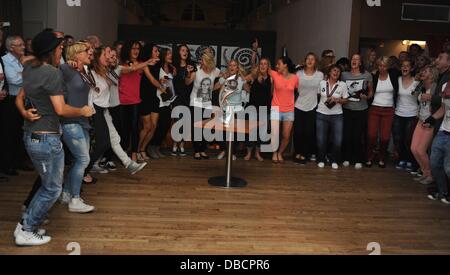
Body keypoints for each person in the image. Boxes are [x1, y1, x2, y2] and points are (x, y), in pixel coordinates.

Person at [14, 30, 93, 246]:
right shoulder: (51, 73)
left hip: (34, 134)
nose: (62, 52)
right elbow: (60, 109)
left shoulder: (30, 67)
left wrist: (23, 112)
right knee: (52, 189)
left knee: (48, 186)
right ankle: (26, 230)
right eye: (59, 49)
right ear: (50, 51)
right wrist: (82, 111)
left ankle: (27, 224)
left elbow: (19, 98)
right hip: (45, 138)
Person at [366, 56, 401, 168]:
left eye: (384, 66)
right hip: (374, 109)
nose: (382, 68)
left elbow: (404, 73)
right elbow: (369, 90)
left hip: (388, 110)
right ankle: (369, 157)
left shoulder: (394, 75)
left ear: (388, 67)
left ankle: (382, 157)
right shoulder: (374, 76)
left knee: (385, 137)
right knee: (371, 135)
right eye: (380, 65)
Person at [186, 52, 221, 160]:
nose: (200, 62)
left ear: (208, 62)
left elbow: (224, 76)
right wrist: (188, 74)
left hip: (207, 103)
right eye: (200, 60)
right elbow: (187, 82)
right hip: (195, 101)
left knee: (206, 127)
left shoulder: (215, 71)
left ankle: (202, 150)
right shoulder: (196, 70)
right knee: (197, 127)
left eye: (203, 60)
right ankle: (197, 151)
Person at [342, 54, 374, 169]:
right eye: (352, 59)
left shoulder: (367, 75)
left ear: (360, 63)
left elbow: (371, 92)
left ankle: (358, 159)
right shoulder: (344, 75)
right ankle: (347, 158)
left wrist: (367, 97)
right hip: (347, 109)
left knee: (357, 136)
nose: (354, 61)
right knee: (347, 135)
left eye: (357, 59)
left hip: (361, 110)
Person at [316, 64, 349, 169]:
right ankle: (321, 159)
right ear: (329, 72)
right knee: (321, 140)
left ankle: (334, 159)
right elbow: (318, 96)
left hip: (337, 116)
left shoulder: (342, 85)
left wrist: (337, 100)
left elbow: (346, 100)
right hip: (321, 114)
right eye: (334, 70)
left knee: (338, 140)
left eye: (338, 71)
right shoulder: (322, 83)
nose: (336, 73)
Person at [411, 65, 439, 185]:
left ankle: (430, 175)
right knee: (414, 148)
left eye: (425, 71)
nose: (422, 72)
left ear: (432, 74)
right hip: (420, 120)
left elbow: (440, 103)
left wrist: (430, 98)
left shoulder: (435, 87)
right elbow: (412, 93)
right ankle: (424, 173)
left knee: (421, 150)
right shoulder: (422, 86)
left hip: (429, 122)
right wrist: (417, 81)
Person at [294, 53, 323, 164]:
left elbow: (321, 92)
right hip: (299, 105)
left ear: (315, 62)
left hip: (312, 107)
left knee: (308, 132)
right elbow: (293, 89)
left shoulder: (320, 75)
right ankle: (297, 152)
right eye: (308, 59)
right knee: (298, 132)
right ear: (304, 61)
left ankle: (305, 154)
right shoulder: (298, 74)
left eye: (312, 59)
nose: (310, 61)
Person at [269, 56, 299, 163]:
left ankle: (280, 152)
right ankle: (274, 152)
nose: (276, 66)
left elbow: (298, 91)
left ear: (285, 65)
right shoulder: (274, 74)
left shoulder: (295, 78)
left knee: (286, 135)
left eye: (279, 64)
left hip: (289, 110)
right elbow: (263, 67)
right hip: (276, 108)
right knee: (275, 133)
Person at [393, 60, 419, 171]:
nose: (405, 68)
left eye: (407, 66)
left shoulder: (416, 81)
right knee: (398, 139)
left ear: (411, 68)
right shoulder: (397, 80)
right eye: (403, 66)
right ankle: (401, 159)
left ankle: (409, 160)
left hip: (412, 114)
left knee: (408, 140)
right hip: (398, 113)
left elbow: (419, 96)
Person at [426, 79, 450, 204]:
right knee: (434, 164)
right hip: (443, 131)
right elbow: (443, 108)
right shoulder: (446, 85)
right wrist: (431, 118)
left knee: (448, 168)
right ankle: (443, 192)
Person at [138, 44, 164, 160]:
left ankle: (143, 149)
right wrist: (161, 87)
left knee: (154, 126)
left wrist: (162, 81)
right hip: (144, 97)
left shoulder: (158, 65)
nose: (158, 53)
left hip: (154, 98)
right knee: (147, 126)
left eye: (158, 51)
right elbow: (151, 79)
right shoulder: (144, 64)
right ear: (149, 52)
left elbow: (157, 79)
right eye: (155, 51)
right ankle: (136, 150)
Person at [245, 58, 273, 162]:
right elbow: (242, 81)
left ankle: (257, 153)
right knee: (251, 131)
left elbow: (271, 93)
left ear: (268, 66)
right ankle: (248, 153)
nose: (263, 66)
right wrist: (248, 89)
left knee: (262, 133)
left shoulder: (271, 79)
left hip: (265, 109)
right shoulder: (253, 76)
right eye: (261, 63)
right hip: (252, 108)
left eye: (265, 64)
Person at [172, 44, 194, 157]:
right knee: (178, 121)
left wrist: (189, 72)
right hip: (177, 97)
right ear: (179, 52)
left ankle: (182, 145)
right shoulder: (174, 66)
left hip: (188, 97)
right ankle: (176, 143)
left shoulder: (191, 66)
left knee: (185, 122)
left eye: (186, 50)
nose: (185, 52)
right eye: (182, 50)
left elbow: (188, 82)